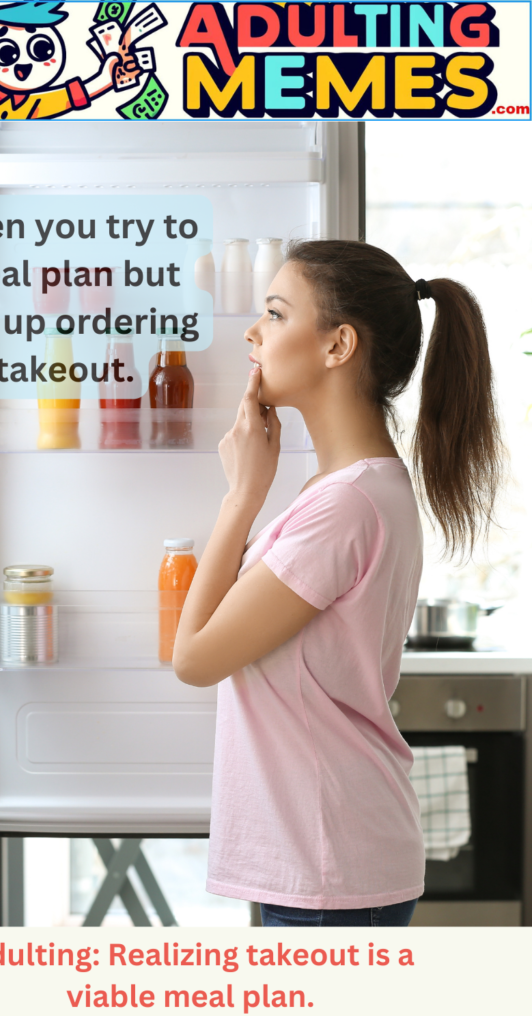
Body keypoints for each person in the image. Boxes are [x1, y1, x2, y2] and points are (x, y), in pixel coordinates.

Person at [173, 240, 502, 927]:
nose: (251, 332)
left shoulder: (343, 506)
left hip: (326, 863)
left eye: (274, 312)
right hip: (325, 858)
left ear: (336, 346)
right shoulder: (347, 491)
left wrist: (241, 497)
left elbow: (194, 658)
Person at [0, 1, 137, 120]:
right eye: (6, 53)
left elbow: (69, 98)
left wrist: (106, 78)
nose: (24, 64)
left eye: (41, 49)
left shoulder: (32, 104)